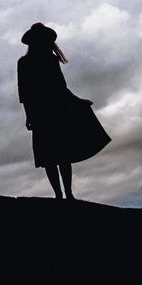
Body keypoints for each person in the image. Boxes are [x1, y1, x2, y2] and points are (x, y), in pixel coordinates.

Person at [16, 23, 111, 200]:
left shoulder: (47, 60)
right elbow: (25, 92)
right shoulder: (26, 62)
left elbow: (60, 87)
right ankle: (61, 194)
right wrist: (29, 115)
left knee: (58, 155)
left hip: (52, 110)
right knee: (53, 156)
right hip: (44, 112)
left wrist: (77, 101)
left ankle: (66, 194)